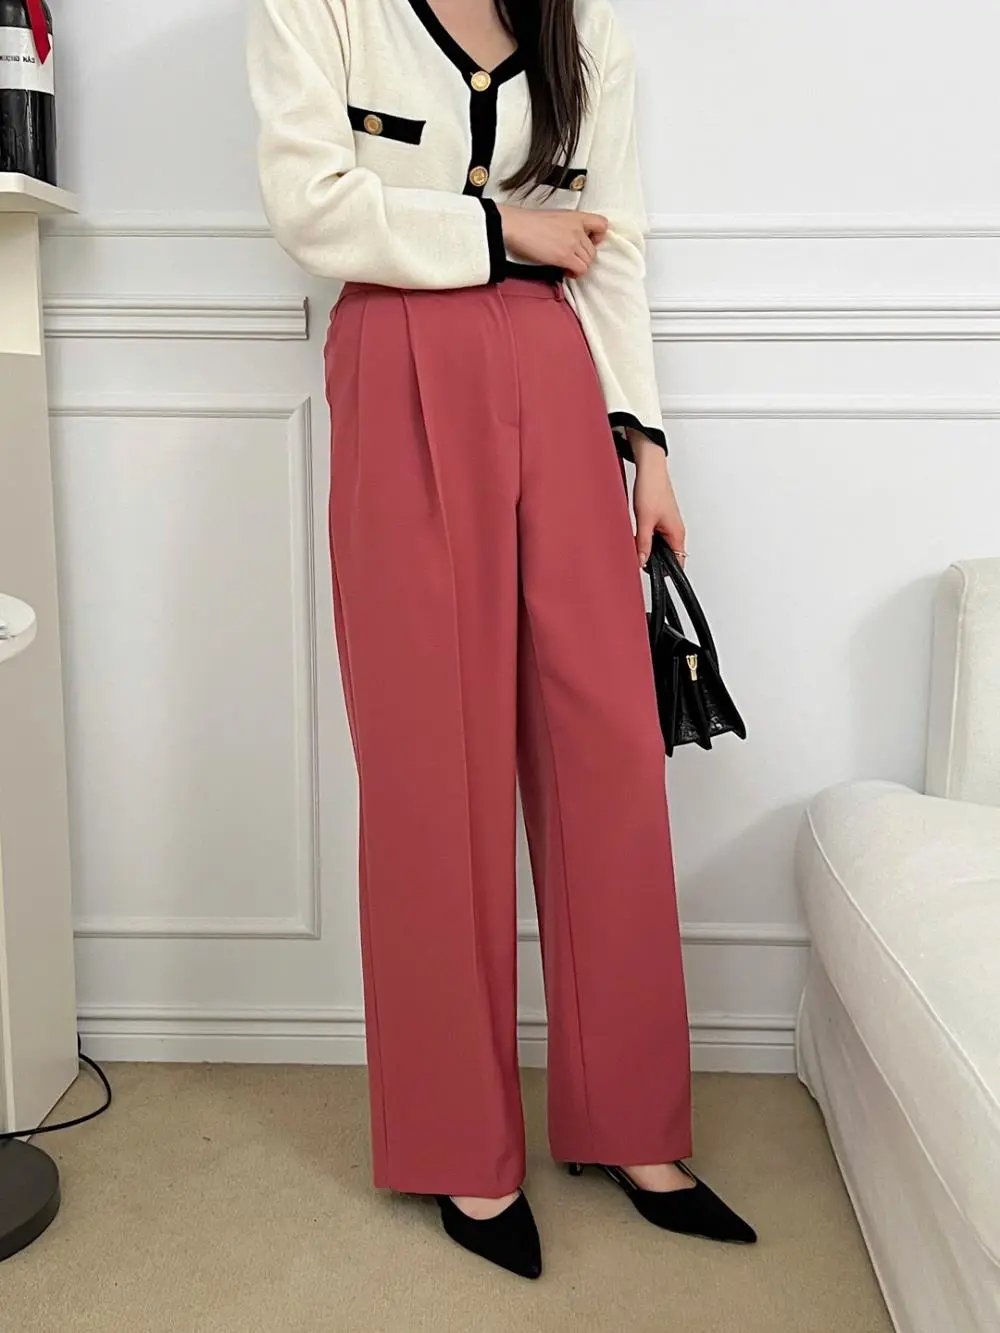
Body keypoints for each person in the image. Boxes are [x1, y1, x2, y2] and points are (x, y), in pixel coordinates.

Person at [247, 0, 755, 1280]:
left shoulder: (583, 29)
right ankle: (457, 1144)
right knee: (433, 762)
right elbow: (310, 206)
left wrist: (645, 442)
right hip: (397, 358)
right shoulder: (319, 8)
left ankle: (631, 1123)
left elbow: (615, 243)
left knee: (605, 754)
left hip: (558, 372)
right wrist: (500, 229)